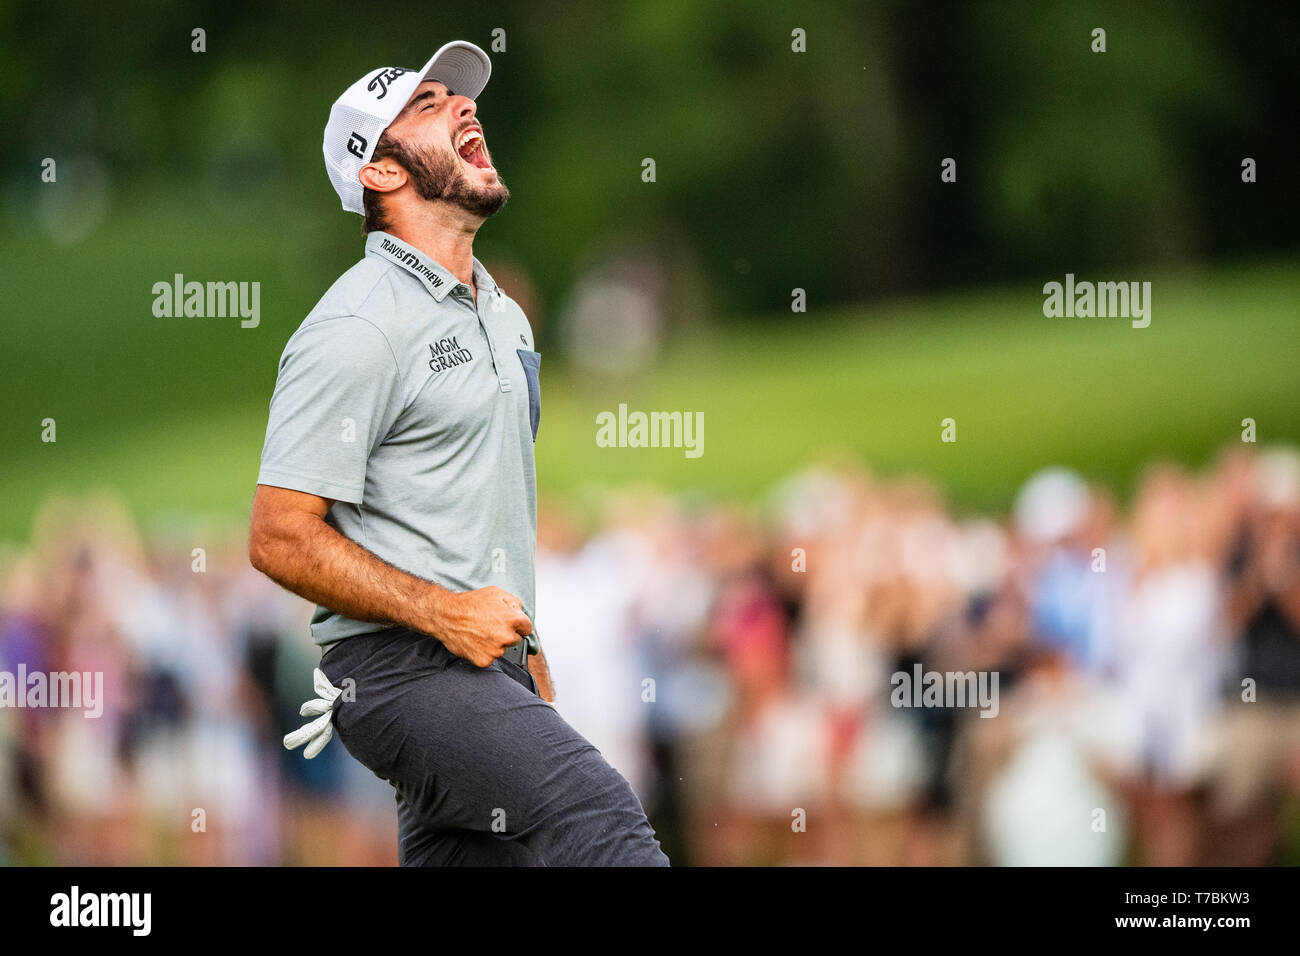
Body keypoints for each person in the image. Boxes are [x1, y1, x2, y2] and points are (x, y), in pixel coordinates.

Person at [248, 41, 668, 866]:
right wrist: (445, 614)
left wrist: (522, 641)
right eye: (429, 107)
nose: (466, 108)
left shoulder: (502, 311)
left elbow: (471, 499)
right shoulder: (356, 327)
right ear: (382, 173)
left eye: (461, 99)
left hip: (486, 669)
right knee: (607, 827)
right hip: (402, 673)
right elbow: (277, 535)